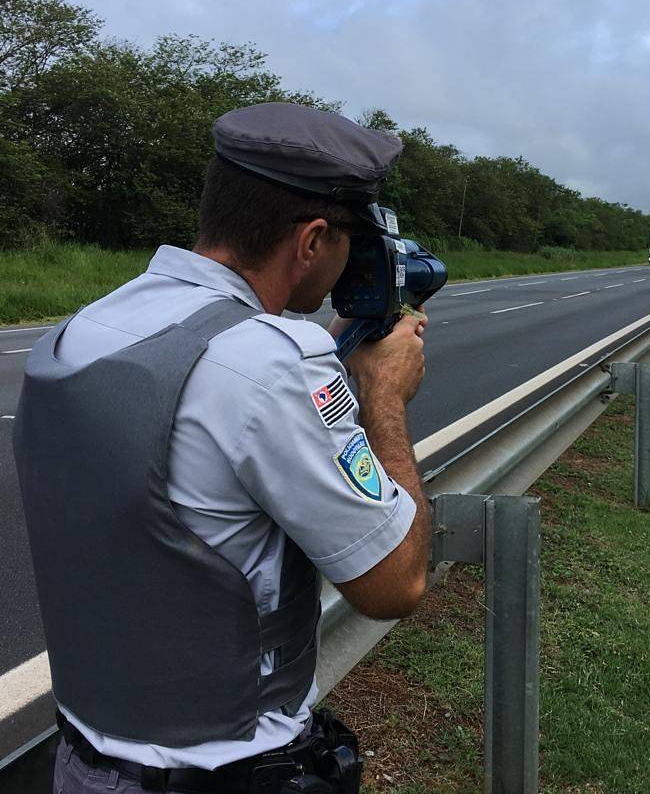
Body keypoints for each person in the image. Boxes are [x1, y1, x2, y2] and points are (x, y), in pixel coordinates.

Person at [13, 102, 432, 794]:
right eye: (349, 242)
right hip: (222, 773)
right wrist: (382, 399)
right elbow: (395, 585)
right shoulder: (276, 365)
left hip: (82, 761)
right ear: (312, 240)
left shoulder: (87, 327)